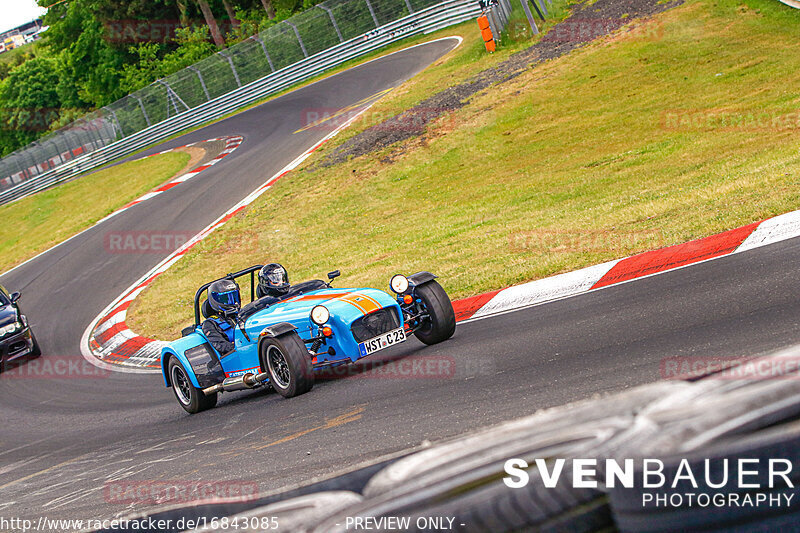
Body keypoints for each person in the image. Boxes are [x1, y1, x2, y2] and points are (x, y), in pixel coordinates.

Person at [202, 279, 241, 356]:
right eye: (226, 299)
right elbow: (221, 346)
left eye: (233, 297)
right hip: (234, 356)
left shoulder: (242, 314)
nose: (231, 302)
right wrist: (241, 346)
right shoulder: (210, 324)